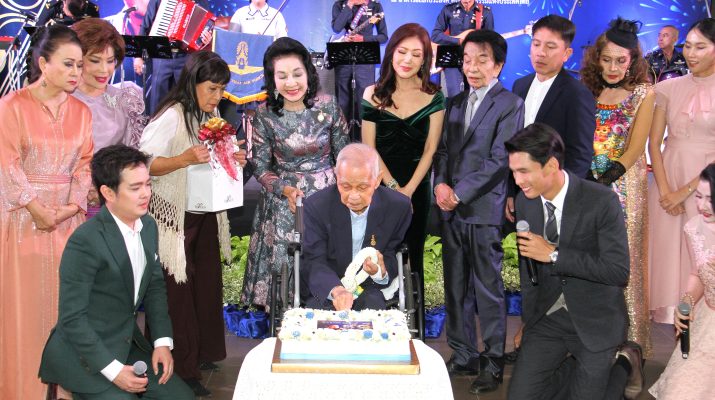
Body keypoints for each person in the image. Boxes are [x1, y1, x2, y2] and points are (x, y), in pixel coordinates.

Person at [38, 145, 194, 399]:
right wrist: (114, 372)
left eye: (148, 184)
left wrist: (162, 343)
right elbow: (72, 318)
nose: (145, 194)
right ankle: (69, 390)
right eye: (135, 188)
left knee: (182, 397)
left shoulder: (148, 226)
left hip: (125, 344)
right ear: (108, 192)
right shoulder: (86, 241)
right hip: (84, 355)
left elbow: (155, 287)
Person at [139, 50, 247, 397]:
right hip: (174, 217)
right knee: (177, 294)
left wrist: (233, 157)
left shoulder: (210, 114)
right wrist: (182, 159)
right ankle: (179, 368)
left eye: (222, 90)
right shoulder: (172, 115)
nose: (217, 96)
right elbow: (143, 163)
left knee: (204, 286)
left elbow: (213, 159)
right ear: (193, 82)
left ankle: (200, 353)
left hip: (205, 212)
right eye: (212, 88)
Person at [0, 24, 93, 400]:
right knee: (23, 313)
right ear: (43, 63)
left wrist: (69, 208)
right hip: (22, 221)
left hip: (68, 225)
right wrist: (36, 208)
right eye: (68, 64)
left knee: (67, 311)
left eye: (80, 66)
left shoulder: (82, 112)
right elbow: (6, 164)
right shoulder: (12, 107)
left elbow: (85, 166)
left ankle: (66, 391)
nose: (77, 73)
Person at [506, 123, 630, 400]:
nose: (517, 180)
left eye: (523, 171)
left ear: (551, 165)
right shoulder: (525, 202)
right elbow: (530, 273)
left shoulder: (601, 200)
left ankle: (622, 367)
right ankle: (582, 374)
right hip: (549, 317)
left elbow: (618, 271)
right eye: (513, 171)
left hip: (595, 318)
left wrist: (554, 255)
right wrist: (528, 322)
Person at [433, 29, 524, 395]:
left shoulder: (509, 104)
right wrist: (441, 185)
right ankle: (463, 353)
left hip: (483, 210)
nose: (471, 67)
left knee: (488, 290)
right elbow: (442, 152)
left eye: (481, 60)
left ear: (498, 65)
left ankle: (492, 361)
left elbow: (500, 160)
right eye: (467, 60)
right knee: (455, 287)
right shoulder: (454, 102)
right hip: (451, 210)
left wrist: (460, 193)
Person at [241, 37, 350, 309]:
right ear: (272, 79)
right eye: (282, 76)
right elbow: (260, 166)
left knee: (325, 262)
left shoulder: (328, 105)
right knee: (287, 272)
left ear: (308, 74)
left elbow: (344, 157)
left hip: (327, 197)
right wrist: (284, 190)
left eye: (297, 74)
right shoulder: (264, 115)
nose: (291, 83)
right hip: (285, 201)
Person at [361, 22, 445, 338]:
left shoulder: (434, 96)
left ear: (425, 60)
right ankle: (376, 328)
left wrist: (409, 190)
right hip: (380, 188)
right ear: (391, 53)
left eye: (416, 54)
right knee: (377, 253)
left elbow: (431, 149)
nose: (407, 60)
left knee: (413, 257)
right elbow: (369, 149)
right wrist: (395, 188)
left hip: (418, 188)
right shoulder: (373, 94)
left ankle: (414, 331)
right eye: (402, 51)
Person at [580, 17, 655, 359]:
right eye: (606, 59)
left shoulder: (643, 93)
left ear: (632, 60)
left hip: (625, 186)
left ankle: (632, 347)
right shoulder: (587, 91)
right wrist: (587, 177)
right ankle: (594, 342)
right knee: (590, 259)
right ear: (596, 58)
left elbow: (637, 147)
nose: (613, 68)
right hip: (587, 184)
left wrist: (609, 176)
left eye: (620, 61)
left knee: (627, 263)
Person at [648, 18, 715, 324]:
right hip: (667, 176)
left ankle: (702, 327)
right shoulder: (667, 88)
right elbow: (654, 143)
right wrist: (665, 191)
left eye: (701, 47)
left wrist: (683, 192)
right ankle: (675, 323)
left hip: (706, 185)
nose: (691, 53)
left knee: (701, 255)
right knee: (668, 255)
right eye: (688, 46)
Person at [506, 15, 595, 224]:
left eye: (550, 46)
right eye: (536, 44)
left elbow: (580, 154)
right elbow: (512, 144)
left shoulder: (577, 94)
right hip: (519, 193)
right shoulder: (520, 85)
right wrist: (510, 191)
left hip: (554, 196)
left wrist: (559, 198)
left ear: (567, 54)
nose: (541, 52)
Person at [302, 143, 412, 311]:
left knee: (373, 310)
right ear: (336, 176)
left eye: (362, 187)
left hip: (370, 286)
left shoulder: (398, 207)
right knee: (316, 317)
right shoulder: (316, 206)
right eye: (345, 186)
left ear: (377, 181)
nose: (353, 196)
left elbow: (392, 253)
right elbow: (314, 260)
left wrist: (380, 272)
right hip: (328, 285)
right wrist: (337, 290)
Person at [649, 163, 715, 399]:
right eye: (698, 196)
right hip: (709, 322)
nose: (702, 206)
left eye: (711, 199)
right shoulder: (694, 227)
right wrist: (686, 301)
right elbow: (698, 273)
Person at [72, 18, 146, 151]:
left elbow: (138, 151)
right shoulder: (60, 102)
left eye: (110, 61)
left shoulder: (128, 97)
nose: (104, 70)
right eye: (95, 61)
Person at [135, 0, 212, 115]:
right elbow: (146, 25)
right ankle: (156, 125)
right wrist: (138, 56)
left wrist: (206, 38)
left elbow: (205, 28)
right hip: (162, 53)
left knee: (186, 100)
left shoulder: (201, 1)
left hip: (186, 56)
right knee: (157, 100)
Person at [331, 0, 388, 141]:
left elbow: (383, 37)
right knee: (342, 101)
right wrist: (350, 4)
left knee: (365, 101)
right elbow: (337, 28)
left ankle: (366, 141)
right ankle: (341, 141)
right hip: (343, 58)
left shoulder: (375, 6)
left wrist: (363, 38)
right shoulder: (339, 4)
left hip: (365, 60)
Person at [430, 0, 494, 98]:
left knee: (474, 96)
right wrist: (458, 41)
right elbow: (435, 36)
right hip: (452, 58)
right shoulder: (448, 9)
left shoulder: (485, 12)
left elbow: (490, 40)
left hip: (475, 60)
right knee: (454, 96)